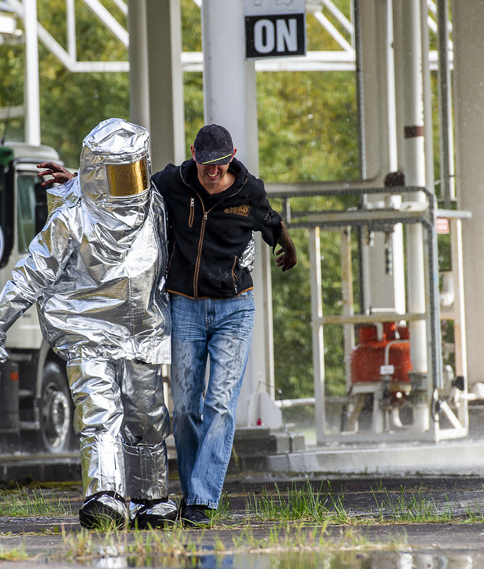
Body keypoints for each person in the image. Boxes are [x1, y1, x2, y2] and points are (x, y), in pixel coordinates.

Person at [0, 118, 178, 530]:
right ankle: (104, 494)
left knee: (146, 415)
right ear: (98, 173)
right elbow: (32, 270)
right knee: (99, 413)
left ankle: (150, 498)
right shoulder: (72, 219)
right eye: (118, 174)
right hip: (86, 332)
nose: (129, 183)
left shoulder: (153, 206)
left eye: (134, 171)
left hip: (139, 332)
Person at [152, 124, 297, 527]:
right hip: (186, 308)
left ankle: (200, 500)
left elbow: (271, 222)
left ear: (230, 155)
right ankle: (192, 491)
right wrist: (79, 180)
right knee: (183, 409)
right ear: (194, 154)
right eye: (204, 163)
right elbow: (130, 191)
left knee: (219, 403)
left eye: (219, 164)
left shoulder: (249, 190)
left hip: (235, 309)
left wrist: (289, 246)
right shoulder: (174, 181)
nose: (211, 171)